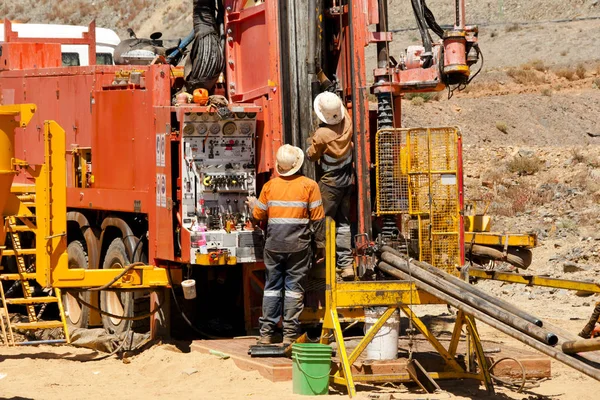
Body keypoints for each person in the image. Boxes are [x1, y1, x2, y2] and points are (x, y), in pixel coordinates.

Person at [247, 145, 325, 345]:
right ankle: (289, 335)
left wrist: (252, 205)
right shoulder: (310, 186)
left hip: (273, 246)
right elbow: (318, 221)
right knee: (293, 289)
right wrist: (320, 247)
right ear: (298, 164)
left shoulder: (270, 186)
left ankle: (266, 334)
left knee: (272, 288)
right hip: (298, 247)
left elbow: (257, 216)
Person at [306, 92, 355, 280]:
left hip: (330, 183)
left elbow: (312, 156)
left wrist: (309, 146)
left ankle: (325, 265)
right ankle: (346, 265)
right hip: (346, 179)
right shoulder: (347, 121)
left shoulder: (322, 135)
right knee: (343, 222)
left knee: (322, 221)